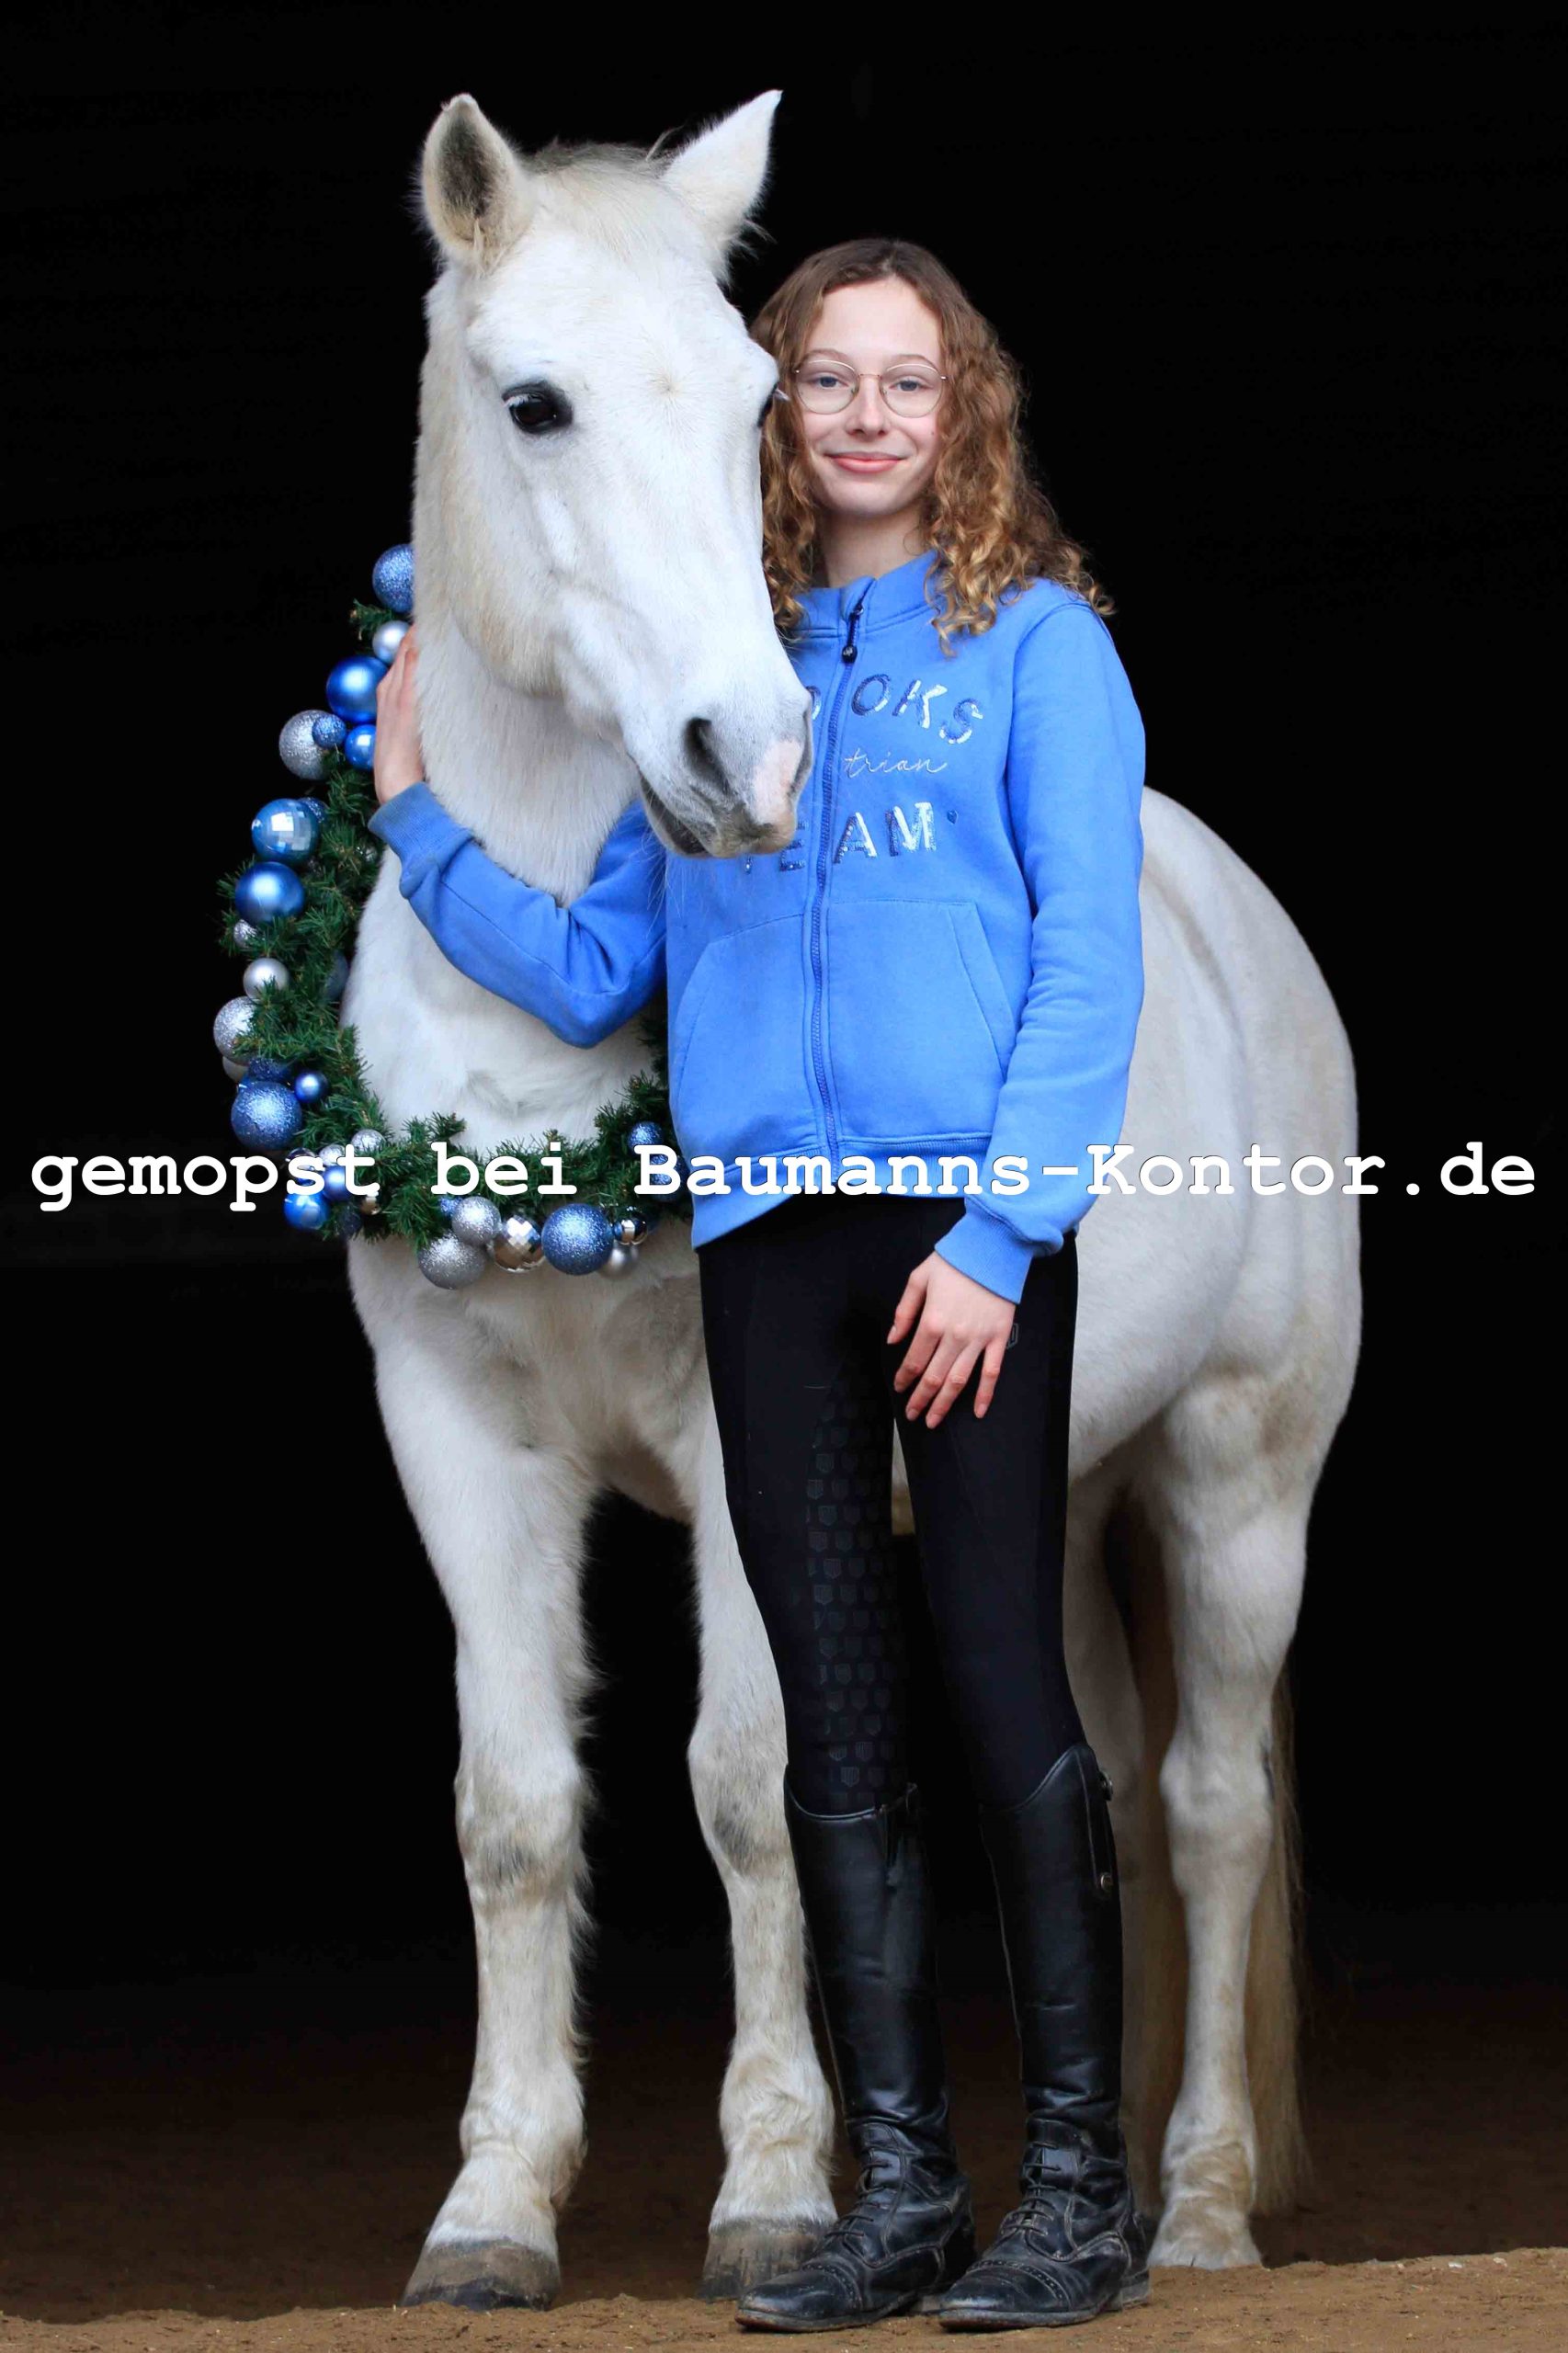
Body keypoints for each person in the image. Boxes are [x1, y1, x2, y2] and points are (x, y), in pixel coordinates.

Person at [369, 238, 1150, 2332]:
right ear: (777, 407)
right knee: (826, 1721)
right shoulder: (733, 659)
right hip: (764, 1241)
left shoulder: (1037, 647)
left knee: (1003, 1683)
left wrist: (1000, 1238)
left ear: (962, 408)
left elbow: (1087, 966)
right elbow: (597, 968)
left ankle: (1079, 2193)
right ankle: (894, 2190)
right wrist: (417, 823)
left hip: (953, 1239)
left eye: (910, 380)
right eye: (830, 379)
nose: (868, 415)